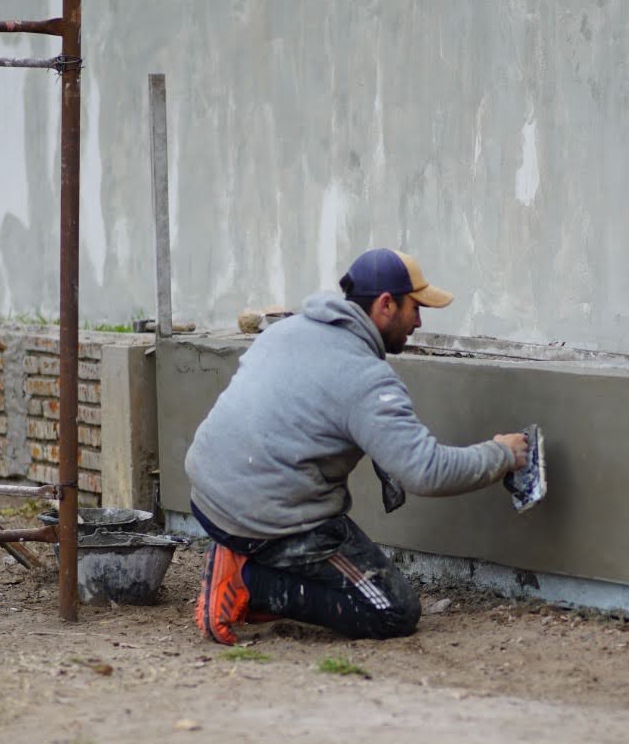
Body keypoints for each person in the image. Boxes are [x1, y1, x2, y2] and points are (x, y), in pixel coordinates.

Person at [184, 247, 530, 645]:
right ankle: (248, 581)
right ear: (386, 304)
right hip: (267, 518)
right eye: (414, 308)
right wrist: (503, 454)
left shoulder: (288, 330)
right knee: (392, 610)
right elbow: (426, 471)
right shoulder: (364, 377)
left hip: (209, 494)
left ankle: (241, 553)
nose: (418, 321)